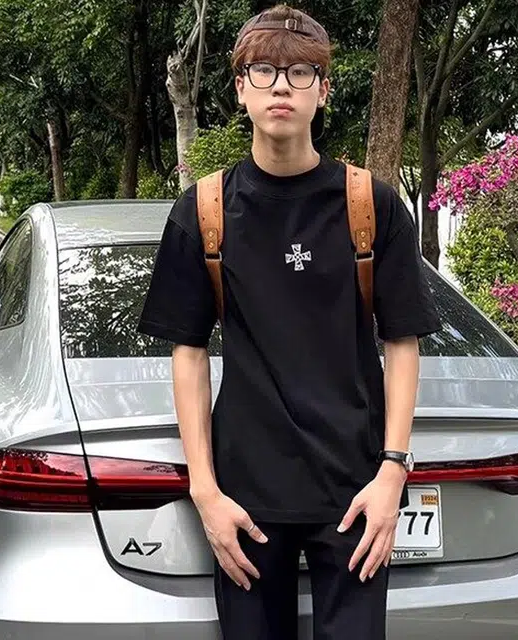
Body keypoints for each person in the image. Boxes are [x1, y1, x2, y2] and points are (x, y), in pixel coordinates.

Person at [137, 4, 442, 639]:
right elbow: (187, 352)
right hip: (245, 499)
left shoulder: (371, 205)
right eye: (264, 71)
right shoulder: (205, 211)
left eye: (300, 72)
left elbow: (402, 341)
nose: (281, 86)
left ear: (323, 90)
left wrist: (393, 471)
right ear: (240, 88)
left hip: (355, 493)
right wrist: (205, 492)